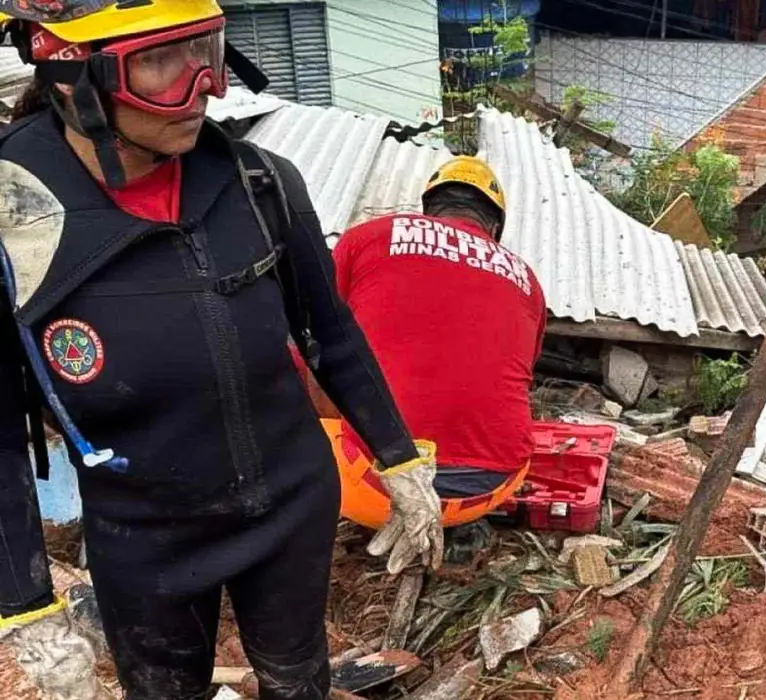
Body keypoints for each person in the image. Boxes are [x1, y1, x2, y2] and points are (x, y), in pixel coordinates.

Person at [0, 3, 442, 699]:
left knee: (300, 684)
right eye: (159, 62)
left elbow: (331, 334)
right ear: (68, 74)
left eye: (205, 49)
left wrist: (401, 459)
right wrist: (25, 607)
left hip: (292, 504)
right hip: (145, 539)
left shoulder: (259, 182)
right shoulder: (11, 222)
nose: (204, 86)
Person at [297, 157, 546, 535]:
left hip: (372, 491)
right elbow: (524, 368)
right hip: (487, 490)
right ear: (493, 226)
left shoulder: (369, 236)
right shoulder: (527, 278)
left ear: (429, 210)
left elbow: (314, 335)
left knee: (305, 352)